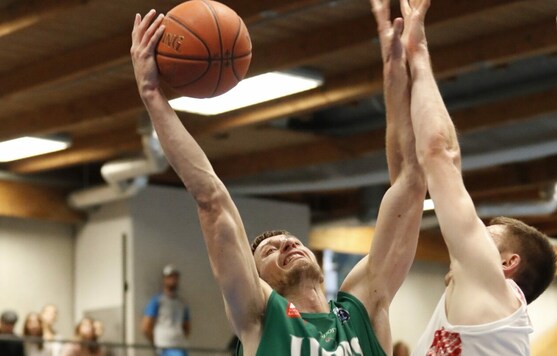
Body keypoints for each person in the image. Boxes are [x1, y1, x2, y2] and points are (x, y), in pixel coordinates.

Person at [130, 7, 426, 355]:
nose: (287, 244)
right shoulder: (259, 316)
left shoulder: (361, 308)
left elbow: (410, 183)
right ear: (256, 281)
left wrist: (399, 73)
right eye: (270, 252)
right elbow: (212, 199)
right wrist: (151, 93)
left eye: (291, 241)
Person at [369, 0, 557, 354]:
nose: (465, 234)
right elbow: (407, 184)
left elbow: (440, 155)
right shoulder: (471, 313)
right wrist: (395, 73)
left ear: (506, 264)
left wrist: (419, 51)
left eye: (483, 235)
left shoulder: (492, 295)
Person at [142, 264, 190, 356]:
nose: (173, 280)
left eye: (175, 277)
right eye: (170, 277)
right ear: (164, 279)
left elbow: (187, 327)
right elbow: (146, 326)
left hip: (180, 345)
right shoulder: (157, 301)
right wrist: (157, 341)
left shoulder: (182, 304)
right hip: (164, 347)